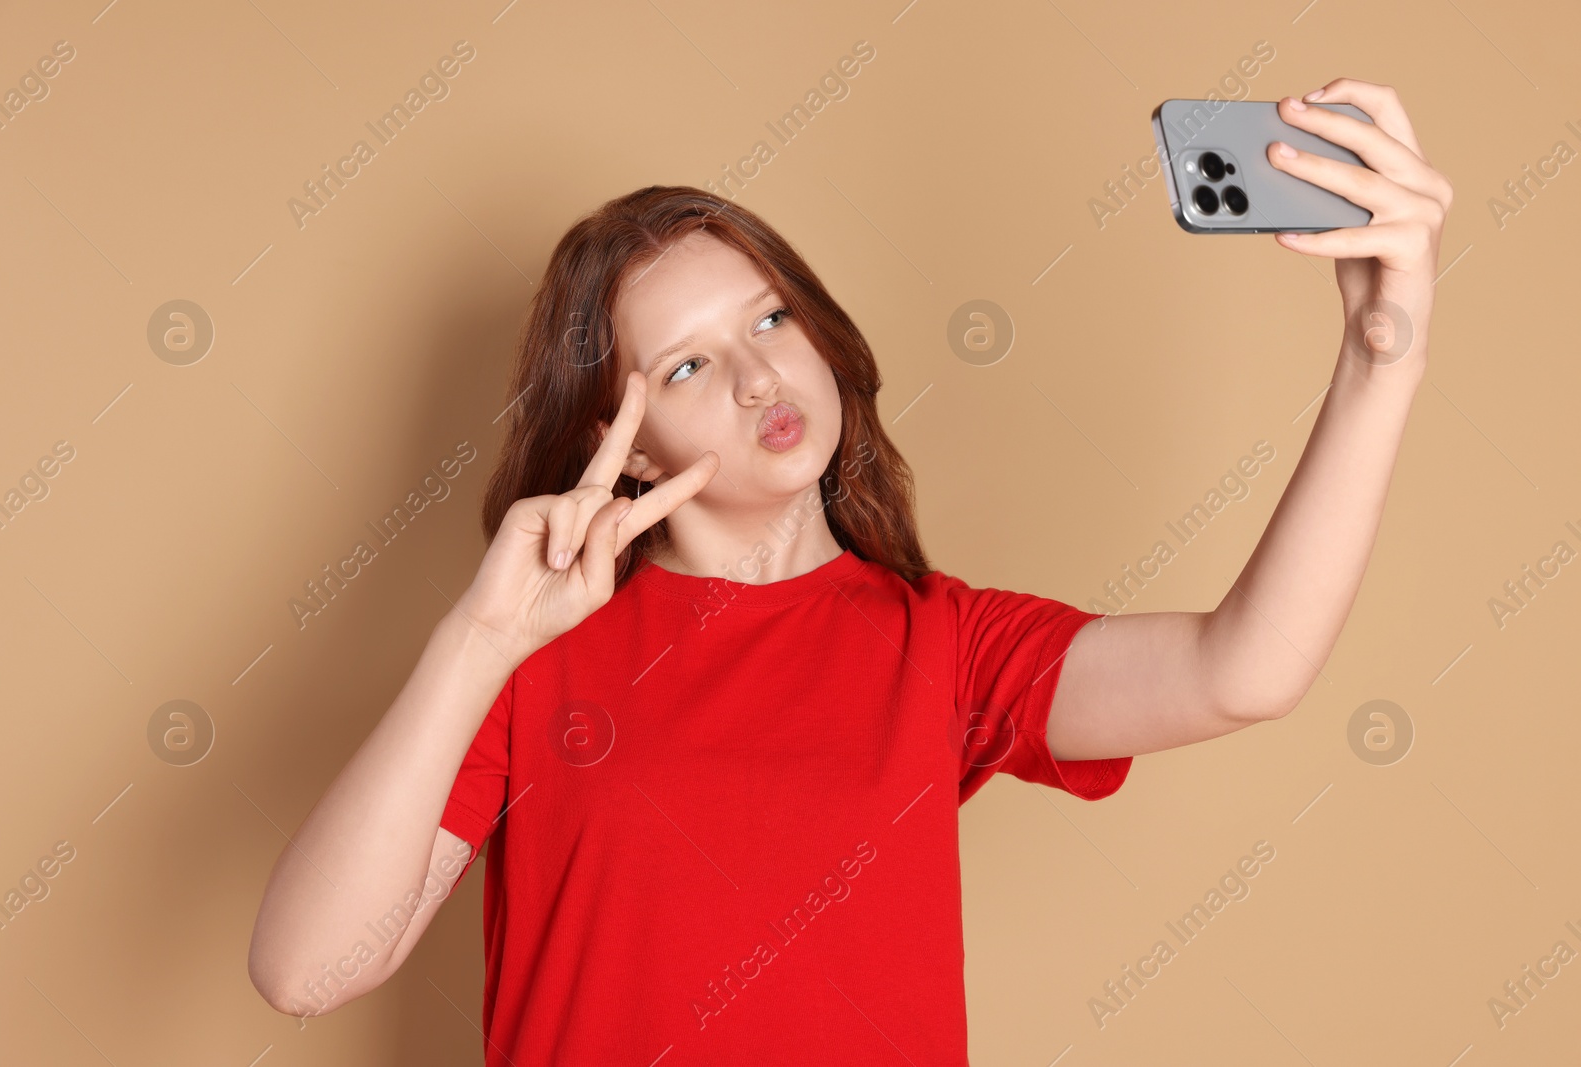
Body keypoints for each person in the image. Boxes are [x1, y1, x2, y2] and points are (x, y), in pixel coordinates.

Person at [247, 77, 1451, 1064]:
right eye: (684, 368)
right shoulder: (530, 651)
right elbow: (307, 971)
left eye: (770, 320)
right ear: (614, 437)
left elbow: (1245, 670)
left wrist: (1378, 353)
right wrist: (476, 641)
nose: (758, 378)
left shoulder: (944, 644)